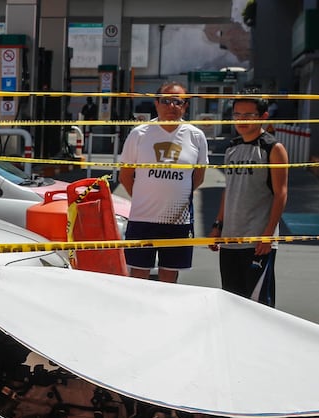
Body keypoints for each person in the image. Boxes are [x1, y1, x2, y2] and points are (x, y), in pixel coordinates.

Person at [118, 81, 209, 283]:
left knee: (169, 277)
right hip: (142, 219)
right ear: (156, 103)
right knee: (138, 276)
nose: (172, 106)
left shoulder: (196, 136)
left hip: (178, 220)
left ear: (185, 106)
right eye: (166, 101)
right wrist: (145, 197)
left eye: (178, 102)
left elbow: (198, 176)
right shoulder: (139, 134)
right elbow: (125, 176)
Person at [209, 97, 288, 307]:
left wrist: (268, 234)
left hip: (257, 241)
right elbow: (229, 189)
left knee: (258, 306)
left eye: (249, 115)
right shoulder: (232, 148)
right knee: (231, 303)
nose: (242, 119)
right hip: (230, 239)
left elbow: (281, 193)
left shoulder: (273, 148)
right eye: (237, 114)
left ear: (263, 117)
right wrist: (218, 225)